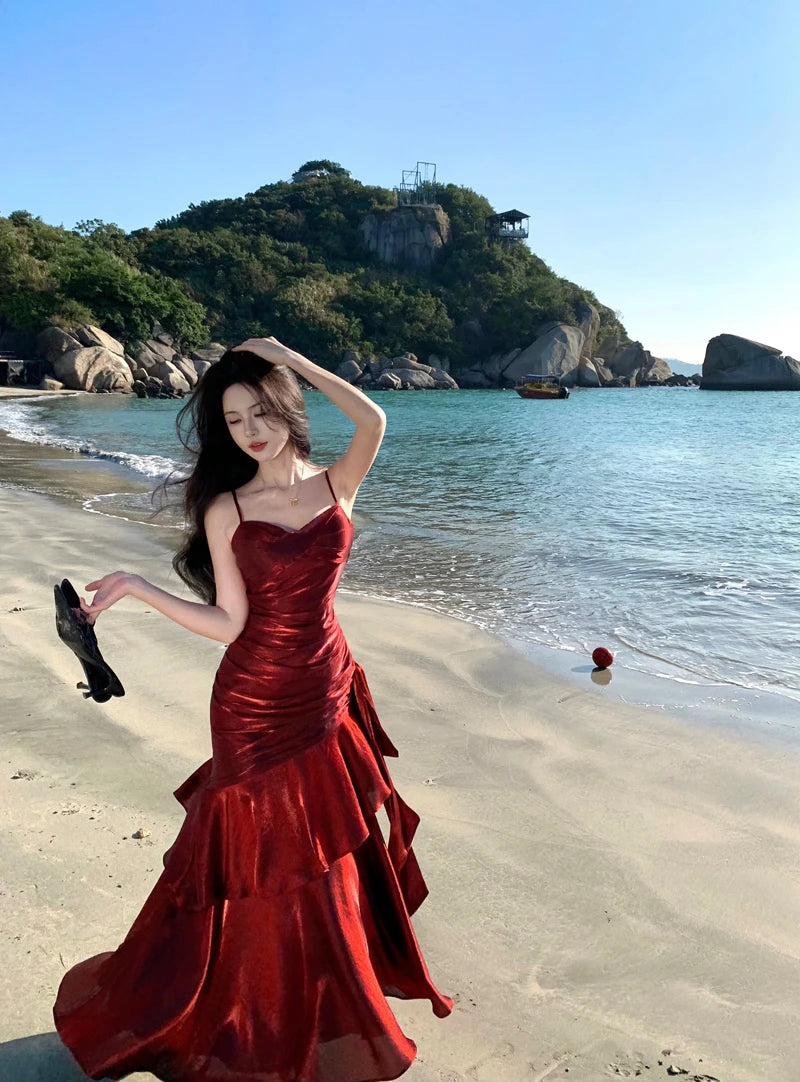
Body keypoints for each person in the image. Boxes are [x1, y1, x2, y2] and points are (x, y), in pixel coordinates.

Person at [53, 337, 452, 1082]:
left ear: (288, 407)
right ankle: (250, 1012)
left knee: (324, 852)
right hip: (252, 701)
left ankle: (326, 998)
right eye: (234, 421)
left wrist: (291, 359)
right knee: (261, 855)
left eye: (262, 412)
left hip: (325, 686)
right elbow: (229, 622)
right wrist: (137, 586)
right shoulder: (228, 507)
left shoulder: (337, 483)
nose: (251, 431)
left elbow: (373, 420)